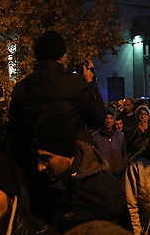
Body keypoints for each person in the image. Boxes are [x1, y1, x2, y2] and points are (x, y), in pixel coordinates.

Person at [8, 30, 105, 177]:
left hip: (35, 170)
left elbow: (14, 132)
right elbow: (98, 117)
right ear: (62, 56)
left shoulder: (21, 88)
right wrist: (90, 83)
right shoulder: (75, 84)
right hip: (70, 168)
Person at [30, 112, 130, 232]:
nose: (40, 167)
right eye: (37, 158)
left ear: (66, 153)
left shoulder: (105, 191)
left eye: (46, 158)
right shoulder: (42, 186)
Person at [92, 106, 129, 183]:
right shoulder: (95, 137)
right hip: (106, 177)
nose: (108, 121)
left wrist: (124, 165)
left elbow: (124, 152)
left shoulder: (120, 136)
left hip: (121, 175)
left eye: (111, 118)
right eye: (106, 118)